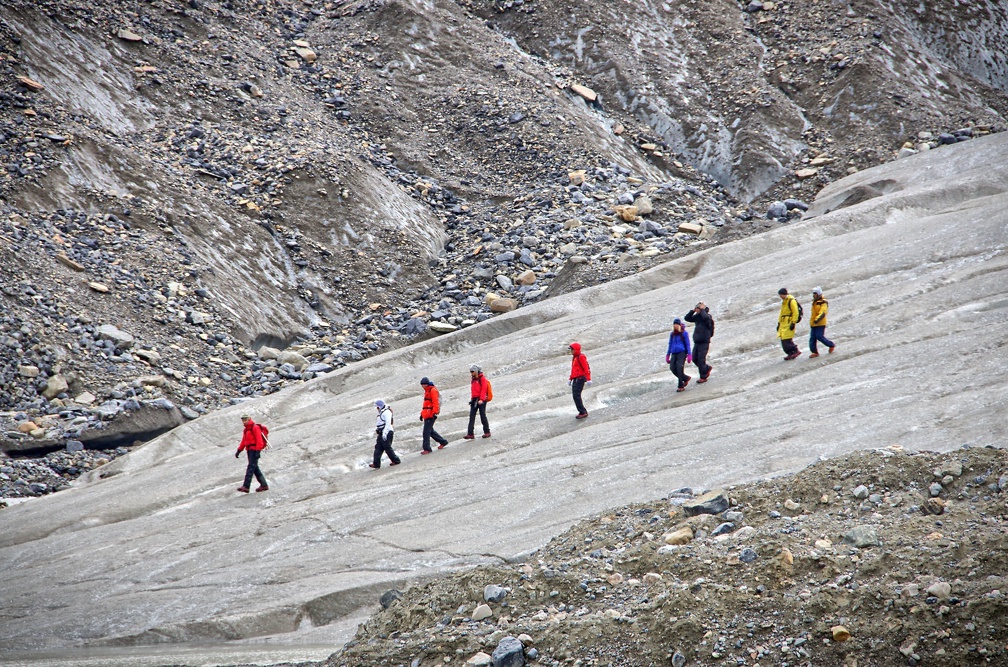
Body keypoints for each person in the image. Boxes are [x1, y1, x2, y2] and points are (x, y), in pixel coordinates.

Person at [235, 414, 268, 493]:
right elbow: (244, 441)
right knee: (255, 468)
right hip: (249, 450)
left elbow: (259, 440)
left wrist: (257, 451)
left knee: (250, 468)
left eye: (245, 420)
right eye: (243, 420)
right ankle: (264, 485)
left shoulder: (255, 427)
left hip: (254, 450)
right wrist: (239, 450)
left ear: (249, 419)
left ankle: (246, 486)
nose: (244, 422)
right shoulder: (246, 430)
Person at [683, 301, 713, 382]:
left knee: (701, 359)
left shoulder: (707, 316)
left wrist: (702, 309)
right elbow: (687, 318)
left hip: (704, 341)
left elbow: (705, 318)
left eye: (699, 308)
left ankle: (703, 376)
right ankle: (706, 368)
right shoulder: (698, 317)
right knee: (695, 358)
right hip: (697, 341)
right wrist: (693, 311)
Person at [419, 377, 448, 453]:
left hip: (430, 414)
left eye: (424, 384)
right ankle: (443, 442)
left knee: (426, 432)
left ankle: (427, 448)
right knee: (430, 431)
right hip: (427, 414)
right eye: (422, 384)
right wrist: (422, 414)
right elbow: (426, 404)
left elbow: (435, 402)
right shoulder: (427, 391)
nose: (422, 386)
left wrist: (434, 412)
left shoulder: (432, 390)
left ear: (427, 384)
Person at [370, 400, 401, 468]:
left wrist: (385, 433)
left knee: (387, 447)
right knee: (378, 447)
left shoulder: (386, 412)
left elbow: (388, 424)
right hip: (381, 432)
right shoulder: (381, 412)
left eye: (377, 407)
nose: (377, 409)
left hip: (387, 432)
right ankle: (376, 463)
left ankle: (396, 460)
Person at [464, 364, 491, 439]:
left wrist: (481, 399)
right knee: (471, 416)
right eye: (471, 372)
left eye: (472, 371)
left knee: (483, 416)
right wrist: (472, 399)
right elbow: (473, 390)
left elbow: (484, 389)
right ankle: (470, 434)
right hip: (475, 399)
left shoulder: (482, 379)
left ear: (476, 371)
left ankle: (487, 432)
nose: (471, 373)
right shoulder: (473, 379)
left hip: (481, 400)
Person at [666, 318, 693, 392]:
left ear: (679, 325)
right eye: (674, 324)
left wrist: (689, 354)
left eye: (677, 324)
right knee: (672, 368)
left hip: (682, 352)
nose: (675, 326)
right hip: (674, 353)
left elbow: (688, 344)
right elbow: (670, 344)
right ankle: (685, 378)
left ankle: (681, 385)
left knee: (679, 367)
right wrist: (668, 354)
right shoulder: (672, 334)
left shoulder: (684, 333)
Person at [809, 286, 836, 358]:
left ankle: (831, 345)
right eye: (813, 293)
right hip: (813, 323)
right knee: (812, 338)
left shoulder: (823, 302)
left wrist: (817, 319)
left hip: (820, 323)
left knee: (819, 336)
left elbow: (823, 312)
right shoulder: (814, 302)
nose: (814, 295)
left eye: (815, 293)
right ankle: (814, 352)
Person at [568, 342, 592, 419]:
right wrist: (570, 378)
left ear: (575, 349)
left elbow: (586, 368)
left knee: (576, 395)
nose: (571, 351)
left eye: (572, 349)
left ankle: (583, 412)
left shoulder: (581, 357)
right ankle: (581, 411)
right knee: (575, 395)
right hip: (576, 378)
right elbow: (574, 370)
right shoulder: (575, 357)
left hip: (580, 378)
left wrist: (588, 379)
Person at [777, 287, 802, 360]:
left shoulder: (791, 301)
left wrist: (793, 323)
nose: (780, 296)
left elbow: (795, 312)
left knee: (786, 339)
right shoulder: (784, 302)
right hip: (784, 323)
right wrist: (779, 323)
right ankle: (790, 353)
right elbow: (782, 313)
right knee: (783, 339)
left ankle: (795, 350)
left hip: (788, 322)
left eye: (781, 295)